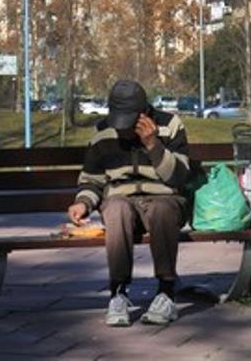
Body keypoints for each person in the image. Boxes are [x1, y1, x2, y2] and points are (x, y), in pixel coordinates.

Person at [67, 79, 191, 327]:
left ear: (144, 114)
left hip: (165, 197)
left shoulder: (171, 125)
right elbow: (92, 180)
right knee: (115, 208)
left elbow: (179, 176)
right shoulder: (103, 131)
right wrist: (83, 202)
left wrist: (153, 145)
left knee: (161, 209)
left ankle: (166, 292)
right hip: (122, 200)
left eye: (128, 122)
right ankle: (118, 293)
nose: (122, 129)